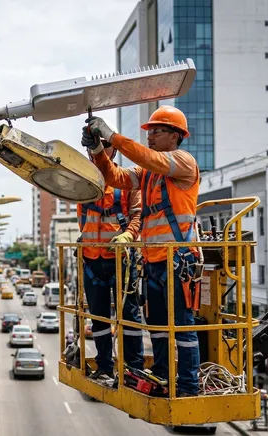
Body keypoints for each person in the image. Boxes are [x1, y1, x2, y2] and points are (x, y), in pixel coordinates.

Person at [82, 106, 201, 396]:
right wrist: (99, 150)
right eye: (149, 132)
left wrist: (113, 136)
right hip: (155, 260)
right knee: (158, 324)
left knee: (183, 327)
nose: (150, 137)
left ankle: (188, 384)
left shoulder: (183, 162)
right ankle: (161, 373)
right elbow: (116, 178)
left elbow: (148, 158)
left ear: (175, 136)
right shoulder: (148, 173)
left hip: (179, 259)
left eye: (156, 132)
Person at [76, 134, 144, 380]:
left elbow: (139, 215)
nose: (95, 153)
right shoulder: (82, 182)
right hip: (93, 261)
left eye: (102, 148)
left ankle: (133, 368)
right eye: (92, 149)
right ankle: (104, 364)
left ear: (112, 152)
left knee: (129, 315)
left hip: (121, 259)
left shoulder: (127, 181)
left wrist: (128, 235)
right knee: (98, 318)